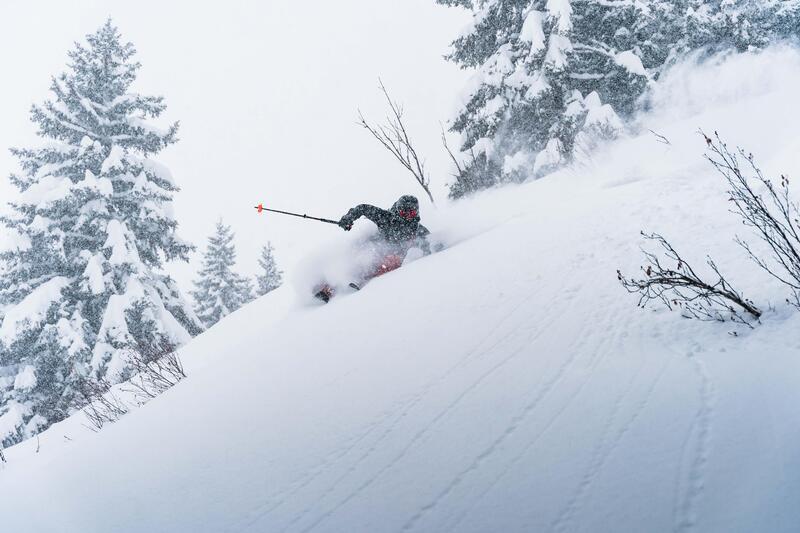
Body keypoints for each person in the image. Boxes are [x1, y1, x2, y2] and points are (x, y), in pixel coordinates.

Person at [314, 195, 430, 302]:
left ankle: (356, 281)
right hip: (373, 245)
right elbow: (363, 208)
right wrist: (349, 218)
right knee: (363, 255)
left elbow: (430, 242)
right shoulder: (387, 217)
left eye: (412, 213)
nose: (408, 217)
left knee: (389, 261)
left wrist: (436, 246)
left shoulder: (417, 229)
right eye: (404, 213)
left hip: (391, 258)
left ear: (416, 213)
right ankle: (326, 286)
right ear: (398, 211)